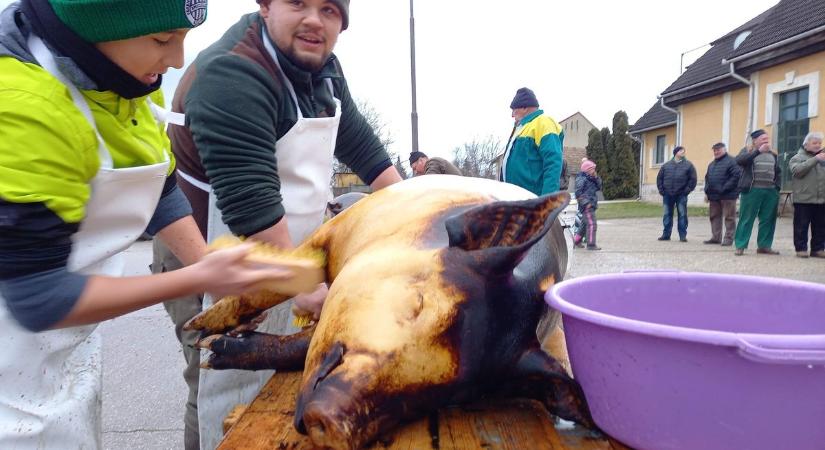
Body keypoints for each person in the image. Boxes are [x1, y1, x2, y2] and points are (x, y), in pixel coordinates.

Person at [0, 0, 291, 448]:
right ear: (94, 25)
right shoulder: (22, 106)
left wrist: (213, 268)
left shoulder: (128, 78)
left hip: (60, 349)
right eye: (161, 40)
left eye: (183, 38)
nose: (176, 60)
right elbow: (37, 297)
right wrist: (197, 277)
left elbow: (158, 183)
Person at [154, 1, 403, 448]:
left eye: (329, 9)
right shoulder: (232, 73)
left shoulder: (324, 70)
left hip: (286, 242)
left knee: (285, 374)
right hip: (209, 244)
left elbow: (365, 149)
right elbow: (250, 201)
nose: (314, 20)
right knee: (219, 375)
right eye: (298, 3)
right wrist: (313, 289)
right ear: (265, 5)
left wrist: (413, 210)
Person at [499, 87, 565, 195]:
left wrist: (546, 202)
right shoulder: (521, 128)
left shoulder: (544, 122)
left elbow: (553, 164)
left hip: (532, 199)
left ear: (525, 108)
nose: (512, 115)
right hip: (515, 198)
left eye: (514, 110)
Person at [733, 129, 782, 256]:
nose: (766, 141)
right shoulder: (747, 151)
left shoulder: (773, 154)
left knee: (768, 219)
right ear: (755, 141)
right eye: (763, 139)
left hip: (770, 190)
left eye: (767, 138)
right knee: (747, 218)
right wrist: (758, 151)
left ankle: (764, 246)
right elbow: (739, 161)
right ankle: (740, 245)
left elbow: (778, 171)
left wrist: (777, 187)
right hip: (752, 190)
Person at [788, 131, 825, 258]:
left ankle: (818, 249)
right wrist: (815, 159)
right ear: (806, 144)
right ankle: (801, 249)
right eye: (814, 143)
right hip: (803, 199)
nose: (818, 145)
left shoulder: (823, 158)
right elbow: (797, 171)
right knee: (801, 227)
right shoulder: (797, 158)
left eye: (819, 143)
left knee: (820, 227)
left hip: (821, 199)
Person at [703, 142, 741, 246]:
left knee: (729, 217)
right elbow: (707, 178)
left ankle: (728, 239)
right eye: (714, 150)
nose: (716, 152)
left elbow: (736, 176)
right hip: (713, 196)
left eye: (718, 150)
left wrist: (724, 188)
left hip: (728, 195)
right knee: (714, 216)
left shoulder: (732, 161)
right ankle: (716, 237)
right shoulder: (712, 164)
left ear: (724, 149)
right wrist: (707, 191)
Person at [656, 146, 697, 242]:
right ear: (675, 153)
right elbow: (659, 179)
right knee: (667, 214)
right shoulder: (666, 165)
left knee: (682, 215)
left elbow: (693, 179)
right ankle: (666, 235)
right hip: (667, 195)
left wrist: (686, 191)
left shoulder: (688, 165)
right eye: (681, 150)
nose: (683, 152)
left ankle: (682, 235)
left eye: (684, 151)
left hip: (681, 195)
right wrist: (661, 190)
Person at [573, 159, 602, 250]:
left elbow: (599, 187)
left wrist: (596, 178)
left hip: (591, 203)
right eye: (592, 169)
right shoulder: (581, 179)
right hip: (587, 205)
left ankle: (576, 241)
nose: (594, 171)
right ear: (587, 170)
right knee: (592, 223)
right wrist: (586, 203)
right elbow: (578, 193)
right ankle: (591, 244)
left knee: (584, 225)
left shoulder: (591, 179)